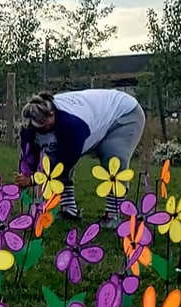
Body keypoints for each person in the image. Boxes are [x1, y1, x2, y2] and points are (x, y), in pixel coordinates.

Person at [13, 88, 146, 223]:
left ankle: (112, 215)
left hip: (123, 113)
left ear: (51, 114)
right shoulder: (30, 124)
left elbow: (65, 162)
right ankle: (69, 211)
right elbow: (29, 153)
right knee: (54, 156)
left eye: (44, 127)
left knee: (113, 158)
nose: (41, 131)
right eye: (36, 128)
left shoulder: (71, 125)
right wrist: (25, 174)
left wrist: (34, 180)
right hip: (94, 118)